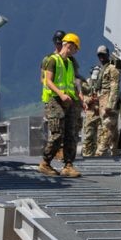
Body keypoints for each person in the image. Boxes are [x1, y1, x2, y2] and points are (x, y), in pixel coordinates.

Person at [39, 32, 83, 177]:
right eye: (75, 49)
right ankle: (45, 163)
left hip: (69, 101)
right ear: (69, 46)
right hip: (54, 100)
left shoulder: (70, 63)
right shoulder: (52, 60)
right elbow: (47, 81)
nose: (75, 52)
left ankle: (68, 165)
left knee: (71, 133)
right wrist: (61, 94)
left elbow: (73, 81)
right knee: (57, 133)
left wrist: (79, 95)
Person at [94, 45, 121, 157]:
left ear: (107, 54)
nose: (101, 57)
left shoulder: (112, 68)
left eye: (103, 54)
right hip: (102, 99)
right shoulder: (102, 68)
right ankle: (116, 151)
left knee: (107, 126)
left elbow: (115, 87)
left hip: (109, 100)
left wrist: (110, 104)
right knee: (112, 129)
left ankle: (100, 152)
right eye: (99, 55)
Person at [79, 58, 103, 157]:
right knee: (89, 137)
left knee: (101, 138)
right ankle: (87, 155)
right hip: (90, 113)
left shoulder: (104, 84)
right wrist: (90, 100)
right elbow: (83, 98)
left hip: (101, 113)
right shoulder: (87, 83)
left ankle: (100, 156)